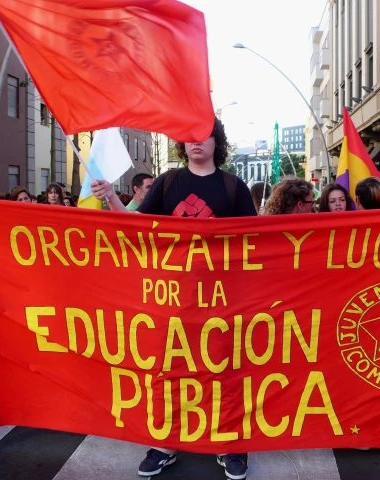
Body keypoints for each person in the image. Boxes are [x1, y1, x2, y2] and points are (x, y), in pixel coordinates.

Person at [91, 117, 255, 480]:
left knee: (223, 372)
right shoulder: (166, 183)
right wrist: (111, 202)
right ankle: (165, 443)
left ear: (217, 142)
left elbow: (256, 242)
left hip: (222, 300)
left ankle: (229, 444)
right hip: (172, 298)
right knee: (170, 372)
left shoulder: (234, 186)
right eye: (190, 137)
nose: (197, 142)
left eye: (205, 136)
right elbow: (139, 230)